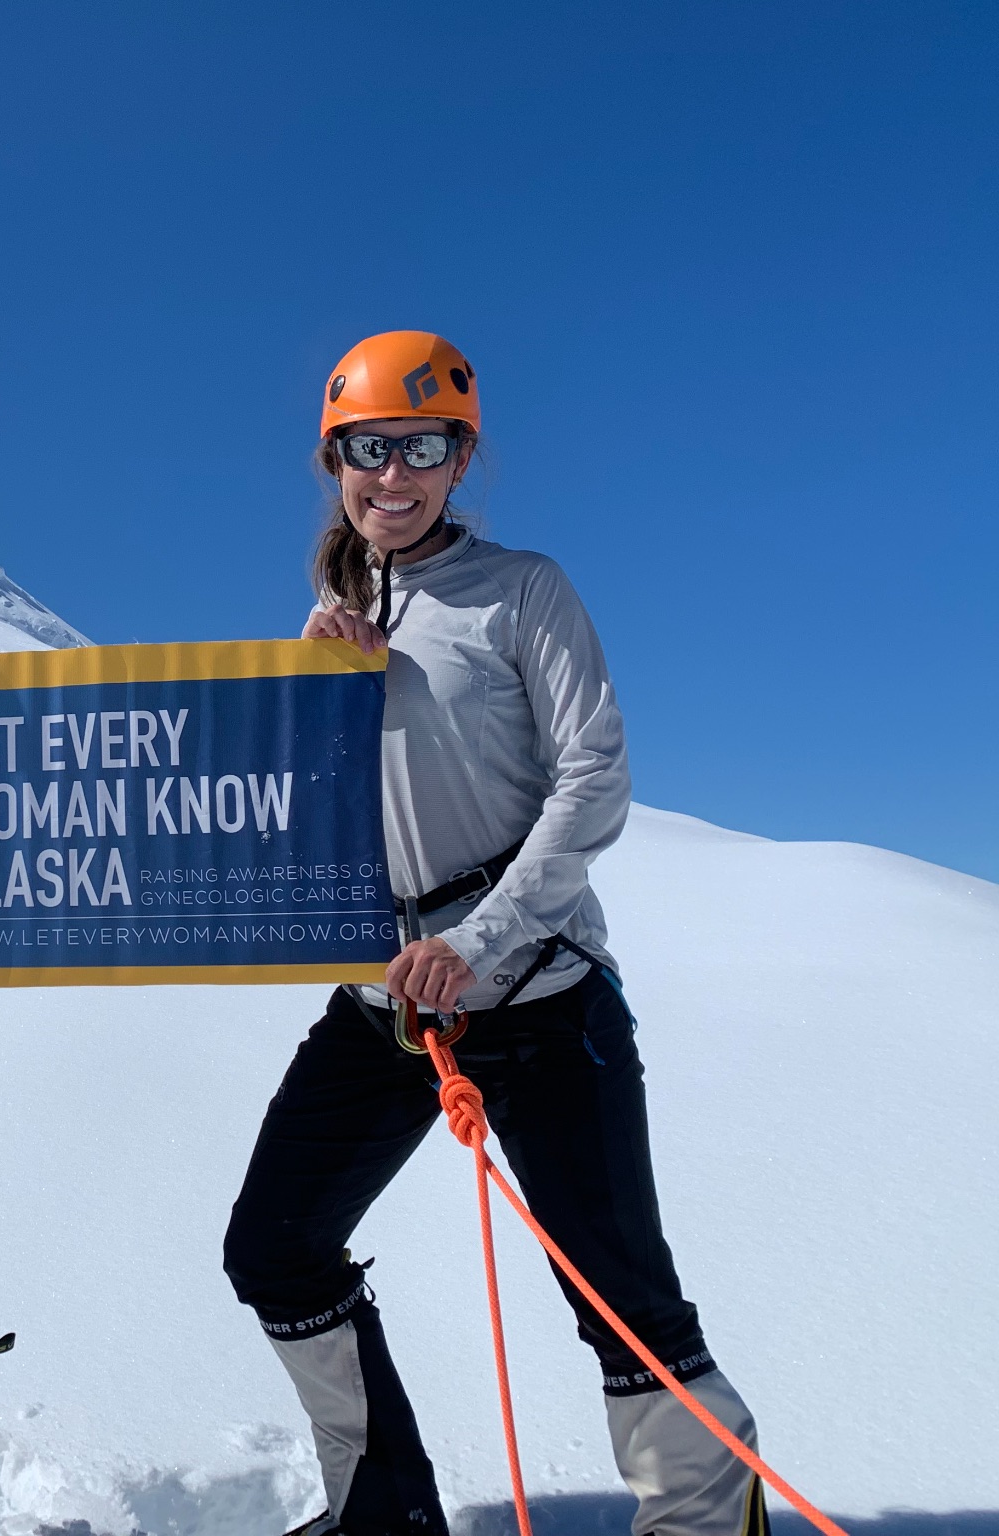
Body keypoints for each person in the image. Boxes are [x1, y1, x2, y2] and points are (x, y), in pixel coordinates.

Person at [221, 334, 767, 1536]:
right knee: (272, 1246)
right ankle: (381, 1508)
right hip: (387, 1006)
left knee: (620, 1299)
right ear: (336, 462)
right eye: (369, 449)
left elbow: (594, 781)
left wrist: (482, 938)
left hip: (537, 997)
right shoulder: (329, 623)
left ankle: (704, 1519)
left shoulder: (522, 590)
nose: (394, 474)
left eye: (421, 446)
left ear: (460, 457)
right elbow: (292, 822)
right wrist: (315, 702)